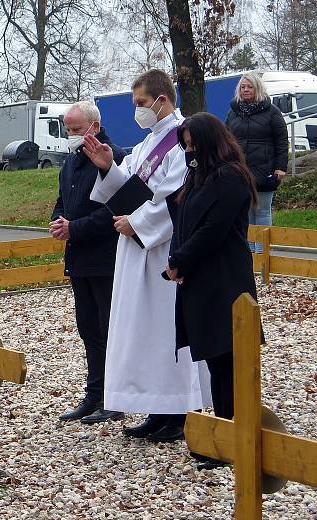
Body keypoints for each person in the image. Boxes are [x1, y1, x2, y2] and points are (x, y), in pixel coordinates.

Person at [81, 69, 210, 442]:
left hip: (164, 250)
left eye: (141, 104)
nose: (138, 111)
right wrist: (108, 166)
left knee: (165, 328)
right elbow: (132, 187)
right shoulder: (149, 141)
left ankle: (181, 411)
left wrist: (137, 223)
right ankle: (158, 407)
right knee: (144, 330)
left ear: (162, 100)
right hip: (137, 250)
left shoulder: (183, 139)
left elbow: (177, 196)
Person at [166, 112, 260, 469]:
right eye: (186, 146)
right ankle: (222, 437)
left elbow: (213, 230)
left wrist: (181, 261)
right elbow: (184, 221)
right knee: (215, 361)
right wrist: (178, 258)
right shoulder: (198, 175)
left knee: (229, 360)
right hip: (201, 277)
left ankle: (236, 437)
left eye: (192, 145)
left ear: (208, 141)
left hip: (225, 279)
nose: (189, 152)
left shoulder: (231, 177)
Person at [51, 101, 127, 424]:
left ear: (94, 127)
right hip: (78, 259)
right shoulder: (70, 162)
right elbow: (62, 200)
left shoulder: (113, 158)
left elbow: (116, 209)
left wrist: (75, 228)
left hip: (105, 257)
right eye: (68, 130)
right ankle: (94, 393)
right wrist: (57, 221)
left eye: (77, 129)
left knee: (109, 329)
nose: (71, 135)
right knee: (88, 329)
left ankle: (115, 395)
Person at [225, 72, 288, 252]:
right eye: (243, 87)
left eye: (249, 86)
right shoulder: (233, 112)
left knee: (261, 211)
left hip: (265, 169)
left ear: (257, 88)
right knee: (245, 211)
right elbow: (226, 138)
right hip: (240, 170)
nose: (246, 90)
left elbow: (282, 140)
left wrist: (280, 167)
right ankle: (250, 252)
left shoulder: (272, 112)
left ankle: (263, 252)